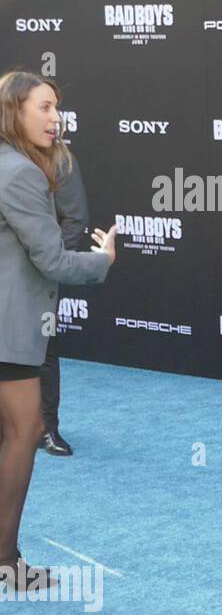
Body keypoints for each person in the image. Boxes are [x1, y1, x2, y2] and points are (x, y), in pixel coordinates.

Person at [0, 72, 117, 590]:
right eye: (44, 108)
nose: (55, 118)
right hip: (9, 329)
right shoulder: (21, 174)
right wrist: (102, 260)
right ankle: (6, 563)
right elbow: (49, 260)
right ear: (14, 112)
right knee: (23, 435)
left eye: (57, 108)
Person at [39, 152, 90, 456]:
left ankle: (47, 428)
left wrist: (50, 262)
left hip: (37, 275)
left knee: (43, 349)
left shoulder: (60, 158)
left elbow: (75, 219)